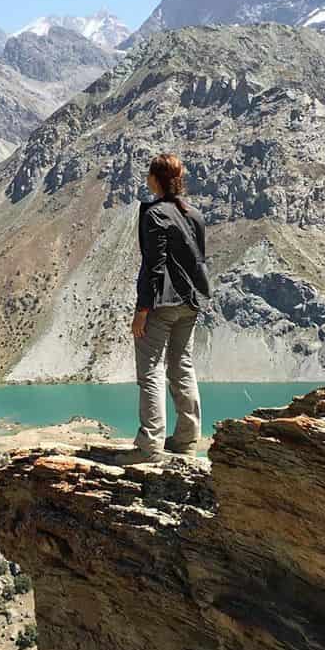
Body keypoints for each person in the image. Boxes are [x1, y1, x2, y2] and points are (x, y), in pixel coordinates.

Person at [117, 152, 210, 464]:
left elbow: (153, 266)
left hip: (163, 303)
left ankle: (150, 445)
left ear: (155, 179)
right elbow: (199, 261)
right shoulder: (193, 214)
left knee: (151, 370)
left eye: (149, 175)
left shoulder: (155, 214)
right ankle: (186, 440)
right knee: (181, 366)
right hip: (192, 302)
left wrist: (142, 310)